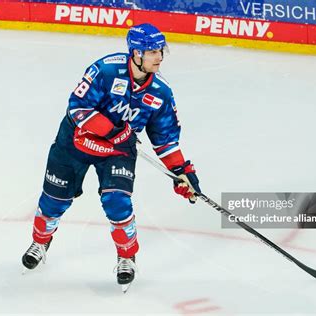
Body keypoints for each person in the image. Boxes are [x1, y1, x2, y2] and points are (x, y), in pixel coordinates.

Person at [21, 23, 201, 292]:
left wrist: (182, 171)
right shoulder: (105, 70)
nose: (159, 57)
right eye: (152, 51)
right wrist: (115, 131)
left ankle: (127, 257)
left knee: (117, 203)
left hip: (117, 153)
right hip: (74, 143)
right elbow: (78, 107)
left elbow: (165, 141)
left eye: (160, 50)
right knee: (53, 202)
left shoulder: (161, 93)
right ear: (136, 53)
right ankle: (40, 241)